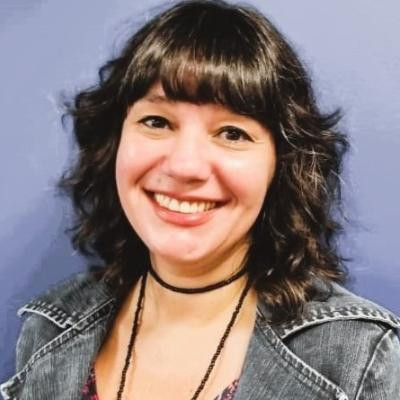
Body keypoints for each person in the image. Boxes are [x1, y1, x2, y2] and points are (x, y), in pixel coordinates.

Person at [1, 1, 399, 399]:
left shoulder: (357, 358)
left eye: (232, 133)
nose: (185, 166)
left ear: (281, 166)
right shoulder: (49, 329)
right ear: (114, 144)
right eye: (157, 122)